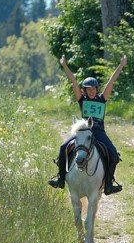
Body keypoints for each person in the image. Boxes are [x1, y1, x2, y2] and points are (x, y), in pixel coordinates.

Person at [48, 54, 127, 195]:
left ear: (97, 89)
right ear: (84, 90)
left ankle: (109, 183)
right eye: (88, 89)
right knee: (63, 148)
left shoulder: (102, 99)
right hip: (84, 132)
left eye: (93, 89)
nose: (91, 91)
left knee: (113, 153)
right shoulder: (81, 100)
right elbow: (73, 81)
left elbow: (111, 81)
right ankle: (60, 178)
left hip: (99, 132)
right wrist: (64, 65)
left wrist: (121, 65)